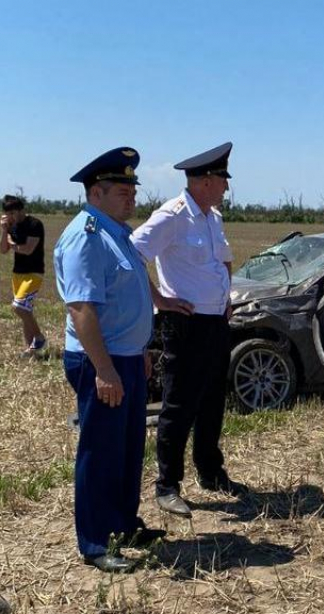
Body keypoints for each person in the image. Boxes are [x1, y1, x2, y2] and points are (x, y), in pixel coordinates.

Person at [54, 147, 165, 573]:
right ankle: (95, 542)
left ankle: (124, 524)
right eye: (123, 190)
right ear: (95, 193)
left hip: (126, 359)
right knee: (100, 452)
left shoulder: (117, 231)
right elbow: (81, 309)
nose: (132, 197)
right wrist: (104, 369)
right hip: (100, 362)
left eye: (132, 190)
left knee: (127, 449)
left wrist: (137, 354)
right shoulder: (87, 236)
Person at [130, 142, 236, 518]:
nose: (227, 186)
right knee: (179, 405)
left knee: (212, 401)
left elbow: (224, 259)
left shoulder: (212, 217)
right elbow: (132, 254)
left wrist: (225, 294)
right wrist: (159, 299)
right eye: (223, 179)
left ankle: (210, 470)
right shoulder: (171, 216)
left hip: (215, 322)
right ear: (206, 181)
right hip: (185, 323)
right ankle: (167, 485)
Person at [0, 194, 47, 355]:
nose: (13, 216)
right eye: (9, 213)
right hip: (17, 274)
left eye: (15, 212)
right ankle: (31, 350)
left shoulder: (35, 224)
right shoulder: (12, 227)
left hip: (34, 273)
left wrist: (12, 243)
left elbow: (27, 249)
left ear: (22, 210)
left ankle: (39, 337)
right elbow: (3, 249)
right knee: (26, 310)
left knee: (18, 306)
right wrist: (4, 230)